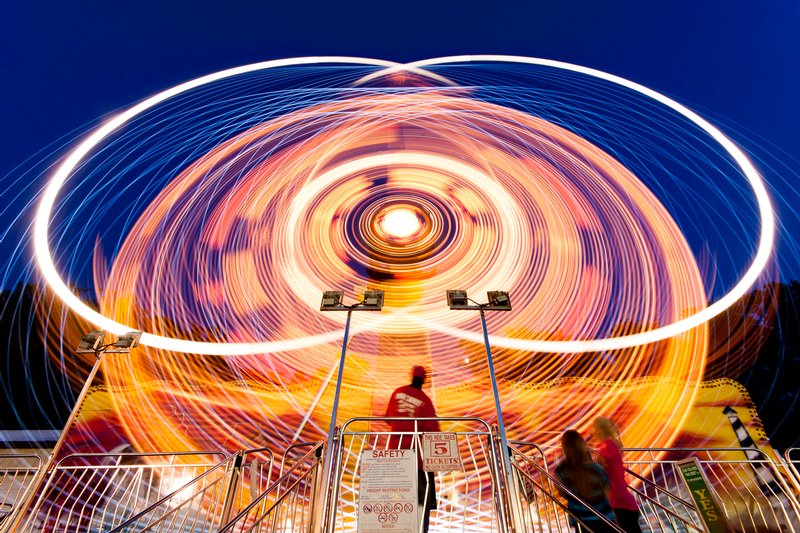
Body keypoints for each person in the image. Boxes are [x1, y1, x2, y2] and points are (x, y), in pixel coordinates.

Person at [385, 365, 440, 533]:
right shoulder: (425, 400)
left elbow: (388, 418)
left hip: (395, 456)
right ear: (424, 379)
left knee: (396, 501)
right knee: (421, 503)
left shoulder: (397, 392)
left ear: (412, 376)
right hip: (417, 459)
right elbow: (433, 431)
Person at [554, 430, 618, 533]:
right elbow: (607, 492)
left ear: (565, 448)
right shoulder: (597, 469)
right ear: (582, 445)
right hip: (605, 520)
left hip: (582, 522)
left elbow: (562, 493)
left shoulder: (560, 471)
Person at [592, 417, 642, 533]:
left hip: (617, 498)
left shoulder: (606, 446)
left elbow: (600, 467)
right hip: (624, 497)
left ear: (599, 430)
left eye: (595, 429)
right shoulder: (613, 444)